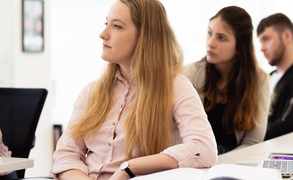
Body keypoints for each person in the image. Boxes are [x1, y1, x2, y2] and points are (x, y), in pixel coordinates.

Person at [50, 0, 217, 179]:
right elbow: (66, 155)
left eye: (116, 26)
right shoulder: (91, 91)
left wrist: (129, 168)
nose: (103, 34)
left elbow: (204, 149)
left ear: (145, 36)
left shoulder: (176, 87)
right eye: (106, 24)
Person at [184, 6, 270, 155]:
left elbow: (252, 142)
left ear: (240, 47)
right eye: (209, 33)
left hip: (235, 158)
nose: (210, 43)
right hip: (195, 157)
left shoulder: (260, 80)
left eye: (221, 38)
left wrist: (225, 164)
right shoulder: (188, 74)